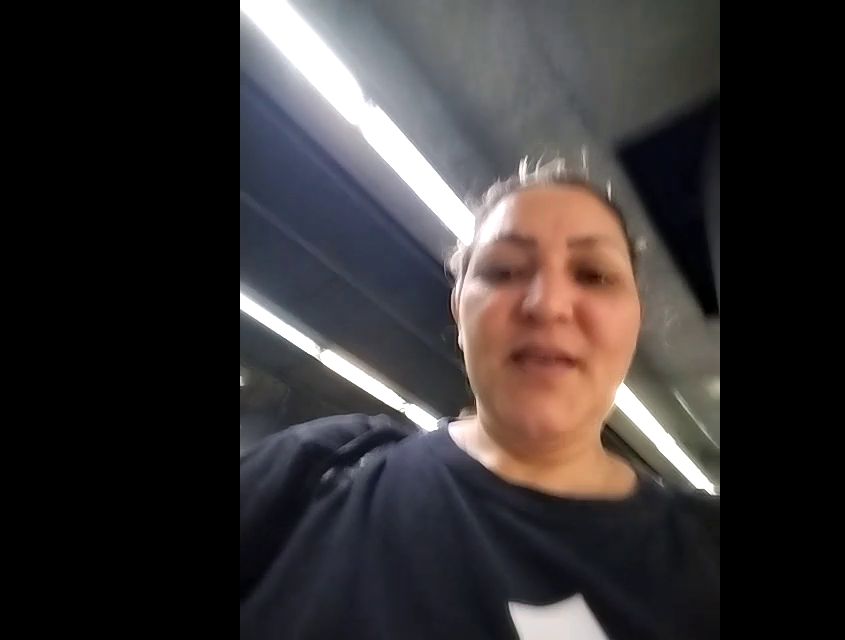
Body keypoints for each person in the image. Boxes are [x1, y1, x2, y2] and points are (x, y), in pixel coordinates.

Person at [240, 159, 720, 640]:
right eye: (504, 271)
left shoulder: (708, 548)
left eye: (593, 275)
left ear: (635, 320)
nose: (547, 305)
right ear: (458, 310)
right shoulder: (319, 467)